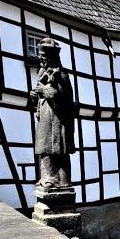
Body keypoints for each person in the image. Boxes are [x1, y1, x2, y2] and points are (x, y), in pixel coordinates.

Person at [30, 38, 75, 189]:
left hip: (56, 118)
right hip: (45, 117)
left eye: (44, 57)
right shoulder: (43, 74)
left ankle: (58, 179)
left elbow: (64, 97)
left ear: (52, 58)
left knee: (56, 149)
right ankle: (47, 177)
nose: (41, 60)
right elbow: (40, 96)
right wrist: (35, 96)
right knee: (44, 148)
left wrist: (45, 91)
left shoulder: (62, 75)